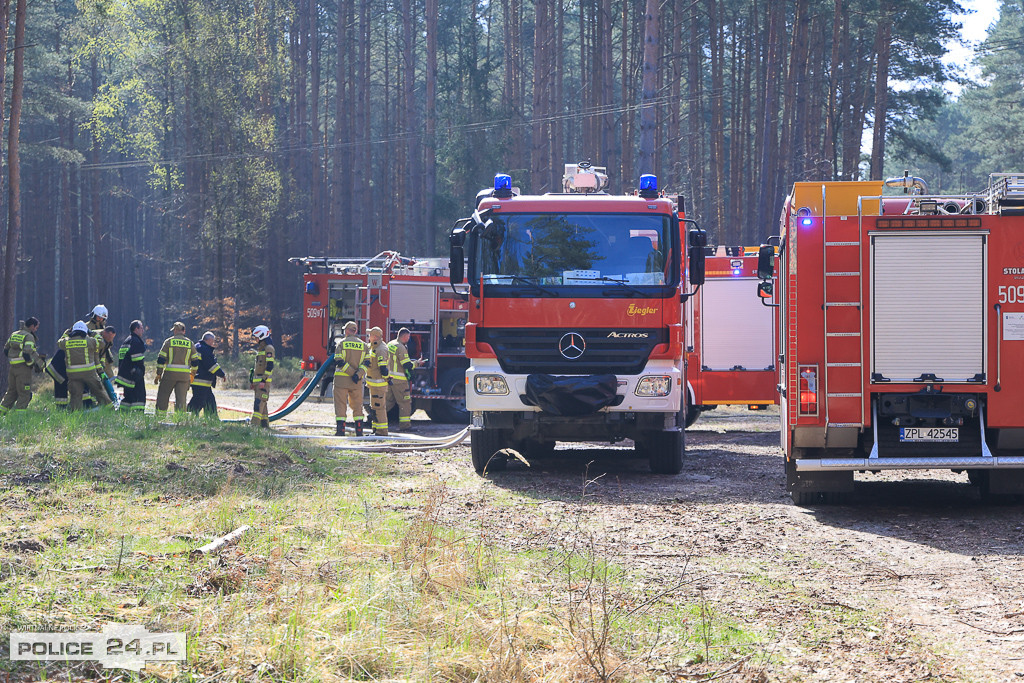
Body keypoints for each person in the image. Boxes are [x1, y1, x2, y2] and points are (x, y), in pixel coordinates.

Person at [59, 321, 111, 411]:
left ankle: (76, 415)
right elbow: (102, 343)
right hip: (89, 373)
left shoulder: (66, 342)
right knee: (99, 391)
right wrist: (93, 333)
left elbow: (59, 342)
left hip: (73, 374)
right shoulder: (90, 341)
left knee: (75, 396)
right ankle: (110, 409)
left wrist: (67, 332)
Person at [154, 321, 200, 419]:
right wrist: (192, 374)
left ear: (175, 331)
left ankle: (159, 419)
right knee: (181, 400)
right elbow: (195, 361)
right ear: (184, 331)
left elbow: (161, 359)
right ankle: (180, 421)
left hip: (169, 375)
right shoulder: (190, 343)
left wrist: (159, 374)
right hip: (184, 376)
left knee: (163, 397)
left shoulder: (169, 342)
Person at [1, 317, 45, 415]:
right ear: (32, 326)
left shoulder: (14, 334)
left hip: (12, 369)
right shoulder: (29, 336)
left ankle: (1, 413)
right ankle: (20, 418)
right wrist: (31, 365)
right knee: (24, 394)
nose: (36, 330)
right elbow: (26, 354)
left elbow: (6, 350)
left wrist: (13, 359)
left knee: (11, 392)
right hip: (23, 369)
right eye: (36, 328)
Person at [332, 321, 367, 436]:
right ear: (355, 331)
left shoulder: (341, 344)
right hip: (356, 382)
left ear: (347, 331)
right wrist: (357, 375)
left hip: (341, 381)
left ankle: (341, 431)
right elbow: (366, 363)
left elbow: (339, 361)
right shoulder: (364, 345)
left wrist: (351, 373)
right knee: (358, 406)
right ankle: (359, 431)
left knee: (341, 405)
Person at [386, 327, 423, 431]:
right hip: (399, 381)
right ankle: (405, 426)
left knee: (387, 402)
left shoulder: (390, 344)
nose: (409, 339)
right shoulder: (401, 347)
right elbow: (406, 365)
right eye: (409, 337)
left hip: (389, 379)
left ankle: (375, 420)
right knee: (405, 403)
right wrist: (417, 363)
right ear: (405, 336)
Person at [189, 331, 226, 418]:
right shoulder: (204, 349)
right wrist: (222, 374)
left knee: (210, 401)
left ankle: (211, 419)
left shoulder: (196, 347)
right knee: (198, 402)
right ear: (209, 340)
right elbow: (211, 365)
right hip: (201, 380)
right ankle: (188, 418)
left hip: (197, 380)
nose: (212, 344)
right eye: (212, 341)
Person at [115, 320, 148, 412]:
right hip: (134, 376)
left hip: (125, 375)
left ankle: (123, 413)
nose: (143, 330)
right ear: (136, 329)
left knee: (128, 397)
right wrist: (141, 371)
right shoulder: (135, 341)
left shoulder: (127, 340)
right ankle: (138, 415)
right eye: (141, 328)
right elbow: (137, 360)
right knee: (139, 397)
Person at [364, 326, 390, 436]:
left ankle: (382, 431)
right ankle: (375, 430)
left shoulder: (381, 349)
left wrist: (388, 378)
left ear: (375, 336)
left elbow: (383, 369)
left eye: (370, 335)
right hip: (373, 384)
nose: (368, 337)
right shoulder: (373, 347)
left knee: (379, 408)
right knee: (374, 408)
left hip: (378, 384)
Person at [250, 325, 275, 428]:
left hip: (263, 382)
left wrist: (263, 380)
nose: (255, 339)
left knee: (258, 404)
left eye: (256, 337)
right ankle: (264, 427)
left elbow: (269, 366)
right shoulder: (261, 349)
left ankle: (254, 427)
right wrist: (253, 381)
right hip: (258, 382)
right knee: (263, 406)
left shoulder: (268, 348)